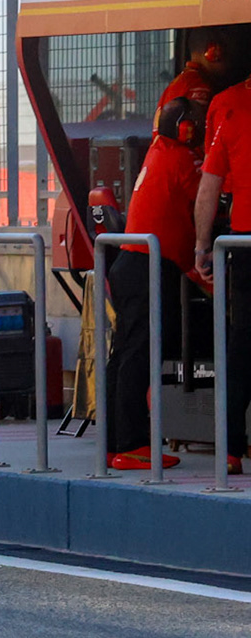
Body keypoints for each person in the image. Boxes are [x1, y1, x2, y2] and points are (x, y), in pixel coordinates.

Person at [106, 97, 204, 471]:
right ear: (184, 128)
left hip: (131, 263)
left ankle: (116, 441)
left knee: (124, 357)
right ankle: (132, 444)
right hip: (148, 265)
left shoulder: (157, 151)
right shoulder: (181, 159)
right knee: (139, 356)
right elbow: (208, 197)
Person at [197, 83, 251, 476]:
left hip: (245, 241)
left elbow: (210, 184)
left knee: (243, 341)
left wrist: (202, 245)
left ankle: (231, 449)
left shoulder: (230, 108)